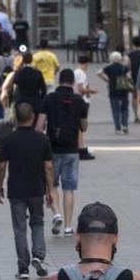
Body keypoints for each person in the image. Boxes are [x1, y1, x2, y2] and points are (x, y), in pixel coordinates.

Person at [0, 103, 55, 279]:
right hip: (36, 189)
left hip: (16, 191)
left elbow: (1, 166)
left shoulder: (8, 140)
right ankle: (38, 256)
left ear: (16, 118)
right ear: (32, 118)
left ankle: (23, 268)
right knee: (37, 223)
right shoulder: (42, 139)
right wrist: (50, 190)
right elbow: (49, 167)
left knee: (19, 228)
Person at [37, 69, 88, 238]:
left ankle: (56, 213)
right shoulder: (79, 100)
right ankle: (67, 227)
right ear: (73, 82)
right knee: (69, 188)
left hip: (52, 149)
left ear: (59, 81)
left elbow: (40, 125)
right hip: (72, 150)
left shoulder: (49, 99)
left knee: (51, 185)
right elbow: (84, 126)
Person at [97, 51, 131, 134]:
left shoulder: (109, 67)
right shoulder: (124, 67)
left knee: (115, 110)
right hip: (123, 90)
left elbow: (98, 73)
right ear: (120, 58)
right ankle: (125, 125)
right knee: (125, 109)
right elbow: (129, 77)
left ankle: (117, 128)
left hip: (113, 90)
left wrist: (107, 80)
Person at [74, 56, 98, 160]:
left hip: (82, 100)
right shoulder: (80, 73)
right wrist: (91, 91)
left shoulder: (77, 72)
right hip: (82, 100)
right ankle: (80, 147)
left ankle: (80, 146)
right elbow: (80, 88)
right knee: (81, 126)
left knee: (80, 126)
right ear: (86, 63)